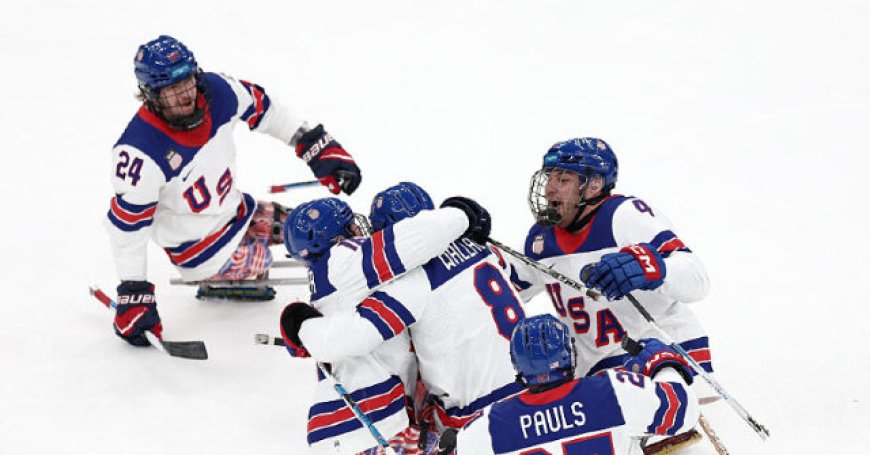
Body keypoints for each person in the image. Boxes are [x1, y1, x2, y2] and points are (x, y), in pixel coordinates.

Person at [104, 35, 361, 347]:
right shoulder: (139, 152)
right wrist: (133, 291)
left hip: (237, 211)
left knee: (309, 225)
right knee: (261, 259)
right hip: (200, 249)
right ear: (150, 94)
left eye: (186, 81)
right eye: (170, 89)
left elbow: (267, 109)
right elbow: (127, 230)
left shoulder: (217, 91)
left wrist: (315, 146)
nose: (184, 94)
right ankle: (236, 271)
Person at [500, 137, 712, 451]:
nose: (550, 189)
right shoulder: (541, 239)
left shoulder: (624, 215)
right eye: (549, 179)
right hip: (601, 378)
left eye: (563, 179)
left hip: (663, 357)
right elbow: (503, 290)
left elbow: (698, 279)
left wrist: (653, 269)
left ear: (594, 186)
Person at [282, 182, 526, 445]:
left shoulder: (404, 280)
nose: (366, 234)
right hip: (527, 384)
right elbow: (522, 281)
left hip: (450, 413)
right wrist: (462, 216)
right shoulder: (480, 250)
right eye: (354, 227)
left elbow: (353, 333)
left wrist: (301, 329)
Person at [443, 314, 700, 455]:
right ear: (570, 354)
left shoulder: (487, 426)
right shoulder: (613, 392)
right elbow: (683, 410)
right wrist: (663, 364)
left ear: (517, 365)